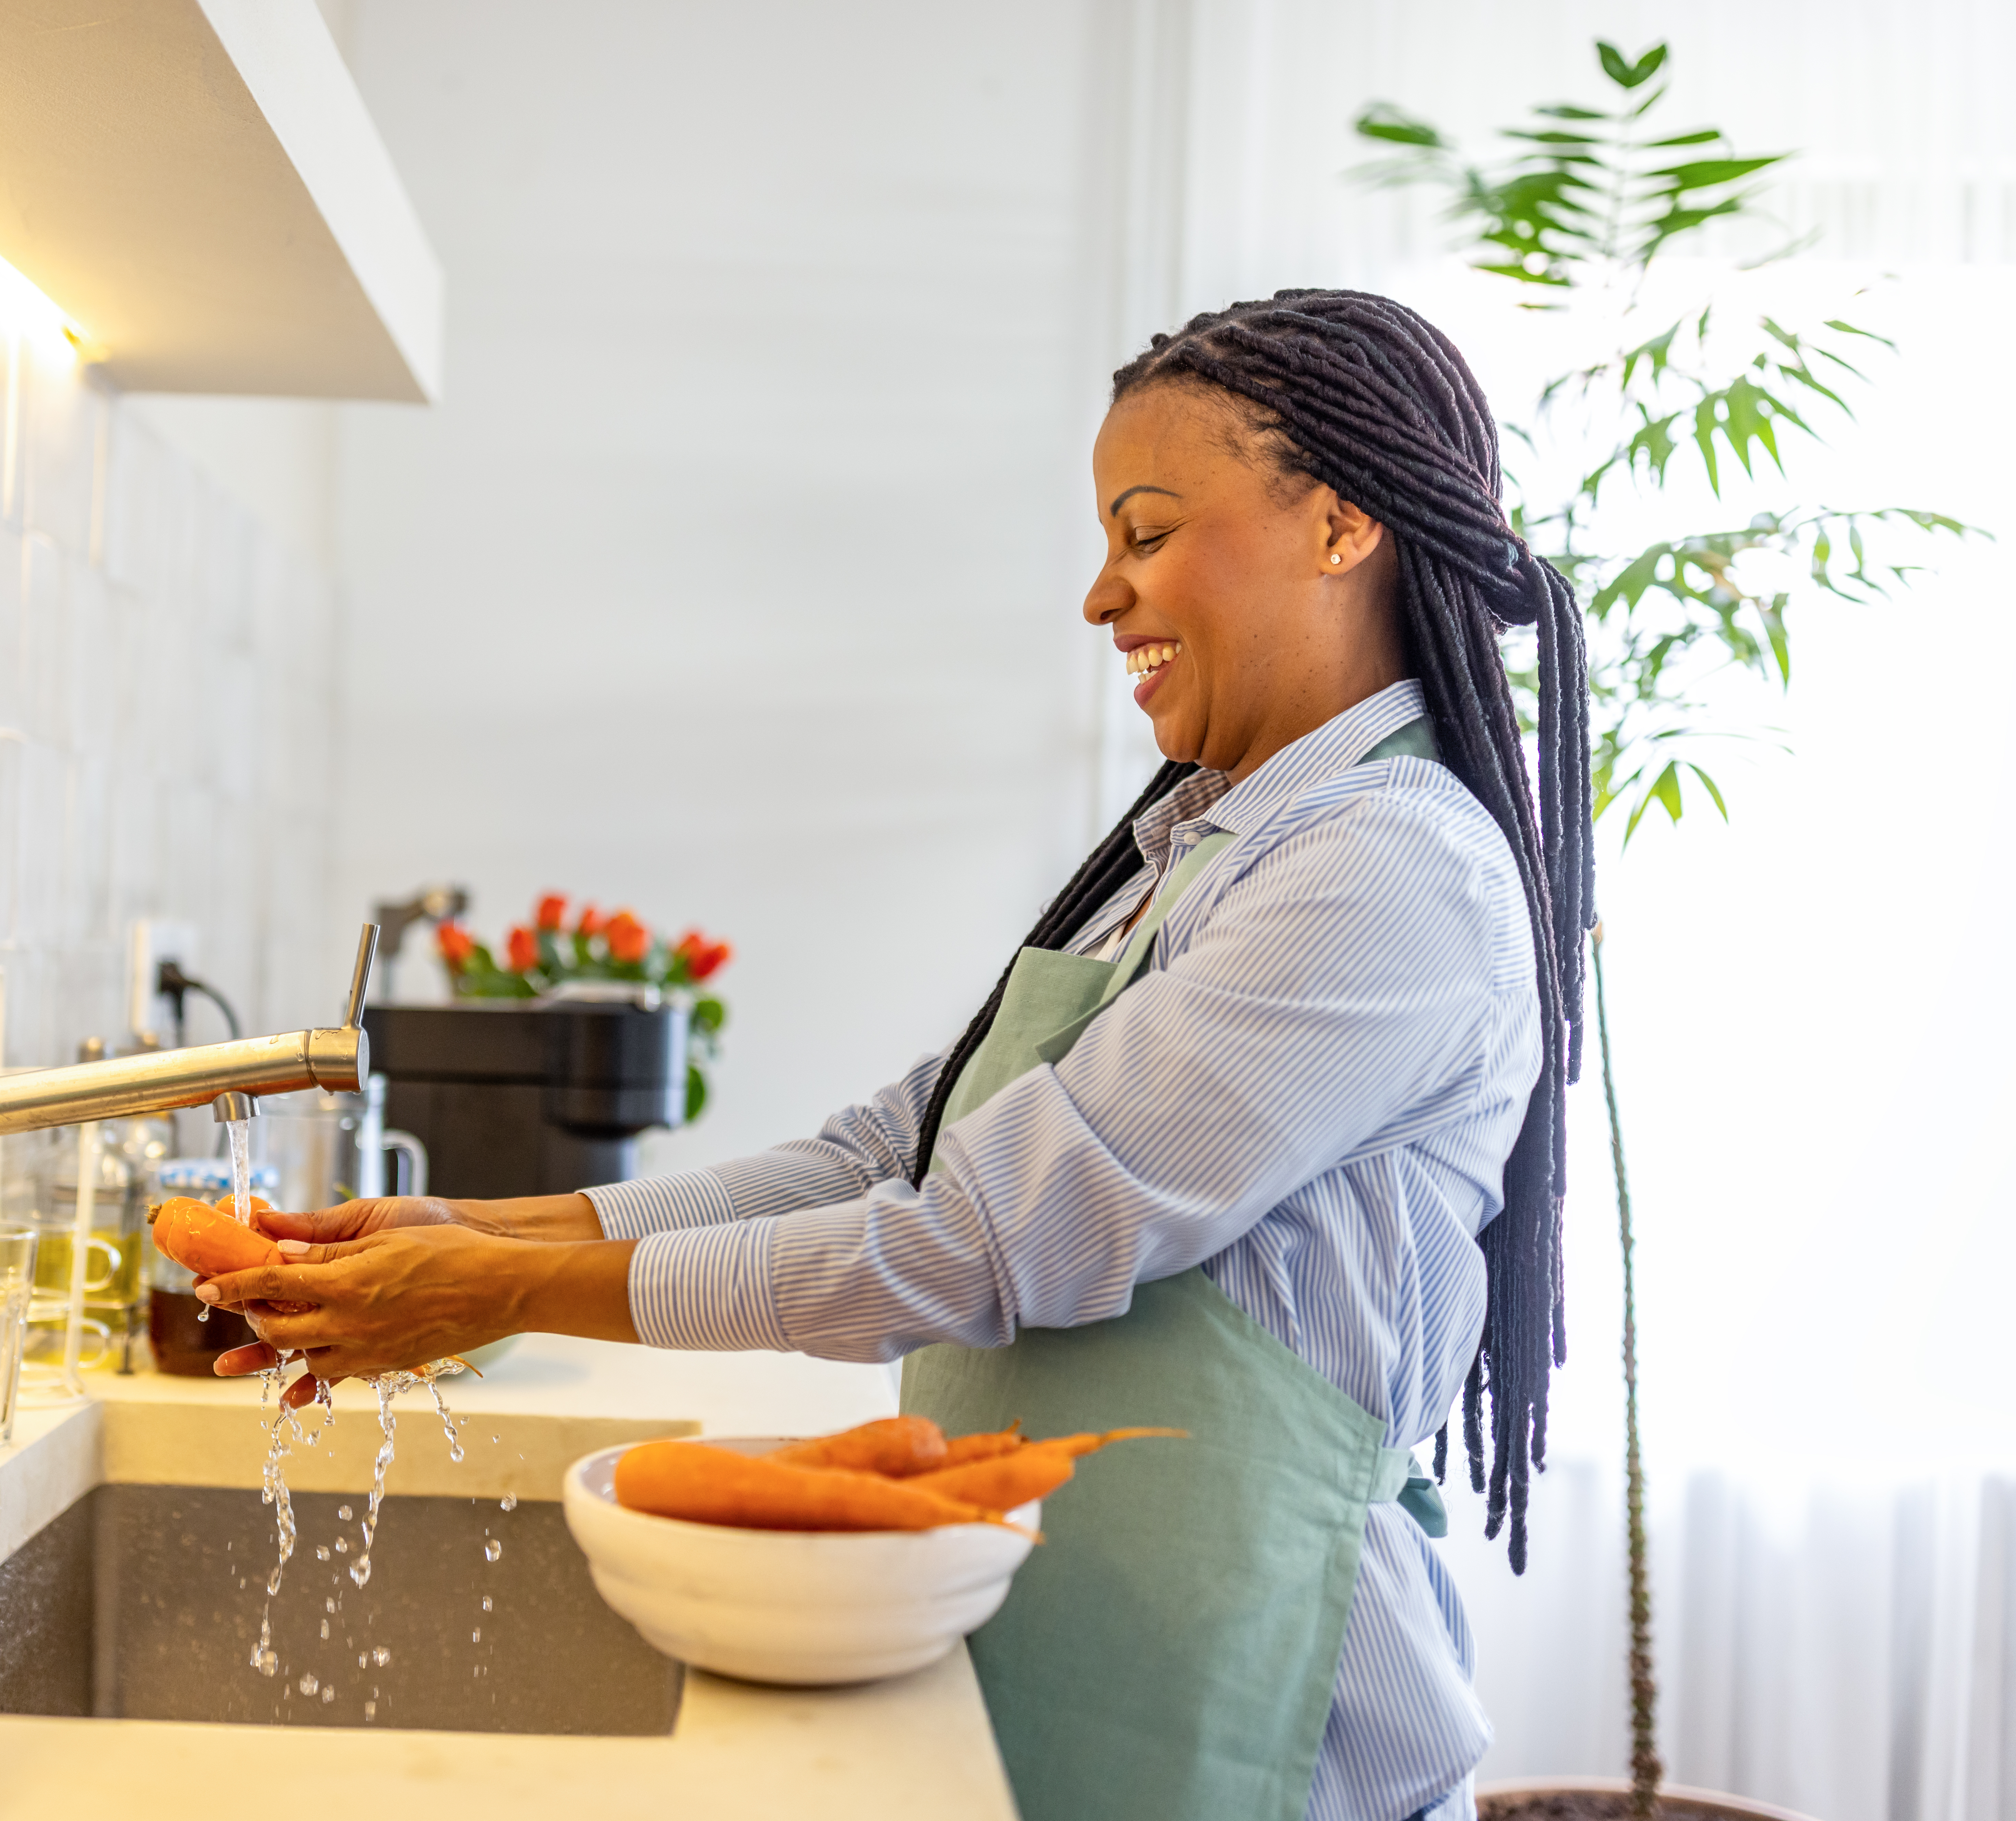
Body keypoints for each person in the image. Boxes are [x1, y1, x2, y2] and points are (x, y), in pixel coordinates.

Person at [195, 290, 1593, 1821]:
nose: (1099, 596)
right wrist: (474, 1233)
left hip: (1266, 1719)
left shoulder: (1385, 873)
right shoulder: (1202, 850)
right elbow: (892, 1152)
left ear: (1338, 525)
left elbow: (978, 1242)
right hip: (1087, 1658)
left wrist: (505, 1288)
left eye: (1143, 531)